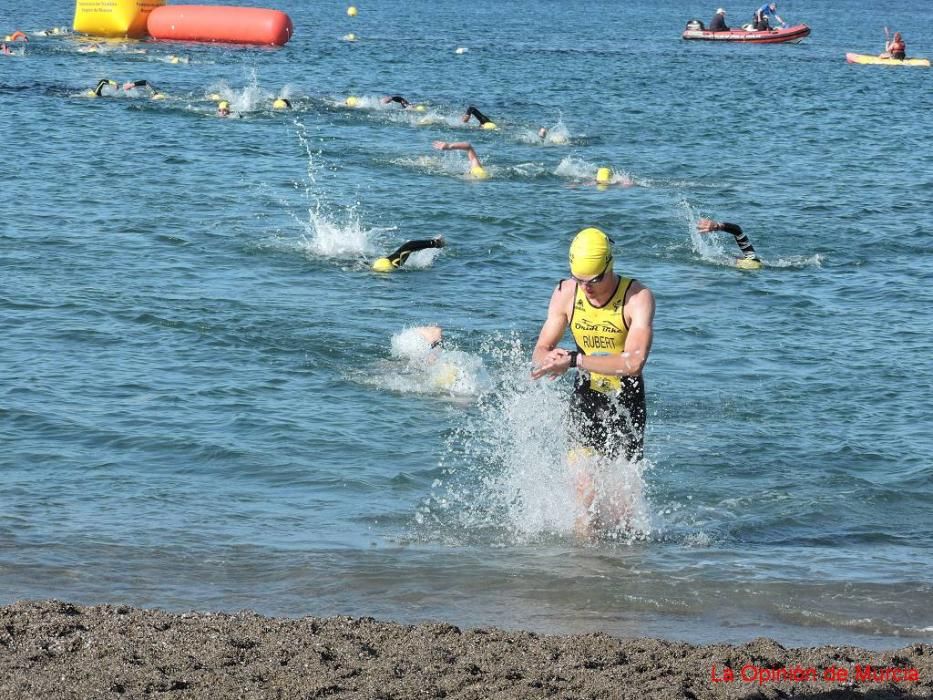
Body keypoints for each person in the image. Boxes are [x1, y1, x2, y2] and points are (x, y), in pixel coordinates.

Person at [531, 227, 655, 463]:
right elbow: (540, 350)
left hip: (627, 400)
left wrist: (575, 360)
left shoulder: (637, 297)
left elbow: (634, 363)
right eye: (579, 279)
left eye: (594, 280)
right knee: (582, 484)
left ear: (610, 265)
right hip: (586, 395)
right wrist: (549, 361)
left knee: (621, 496)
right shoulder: (566, 293)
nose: (586, 287)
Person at [697, 218, 762, 269]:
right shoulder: (752, 259)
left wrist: (718, 226)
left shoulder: (752, 260)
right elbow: (737, 230)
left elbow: (738, 231)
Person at [371, 237, 445, 272]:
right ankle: (436, 243)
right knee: (408, 247)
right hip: (386, 265)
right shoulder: (393, 263)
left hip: (383, 267)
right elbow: (409, 246)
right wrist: (435, 243)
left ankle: (435, 243)